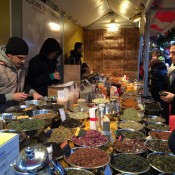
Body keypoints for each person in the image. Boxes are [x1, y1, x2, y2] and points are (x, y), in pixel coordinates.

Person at [0, 37, 42, 112]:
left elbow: (23, 83)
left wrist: (33, 93)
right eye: (20, 58)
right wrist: (11, 97)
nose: (23, 61)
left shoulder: (19, 65)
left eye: (25, 58)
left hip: (15, 108)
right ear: (9, 55)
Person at [161, 42, 175, 117]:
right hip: (170, 111)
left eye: (174, 53)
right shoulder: (171, 69)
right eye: (170, 53)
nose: (170, 56)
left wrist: (173, 97)